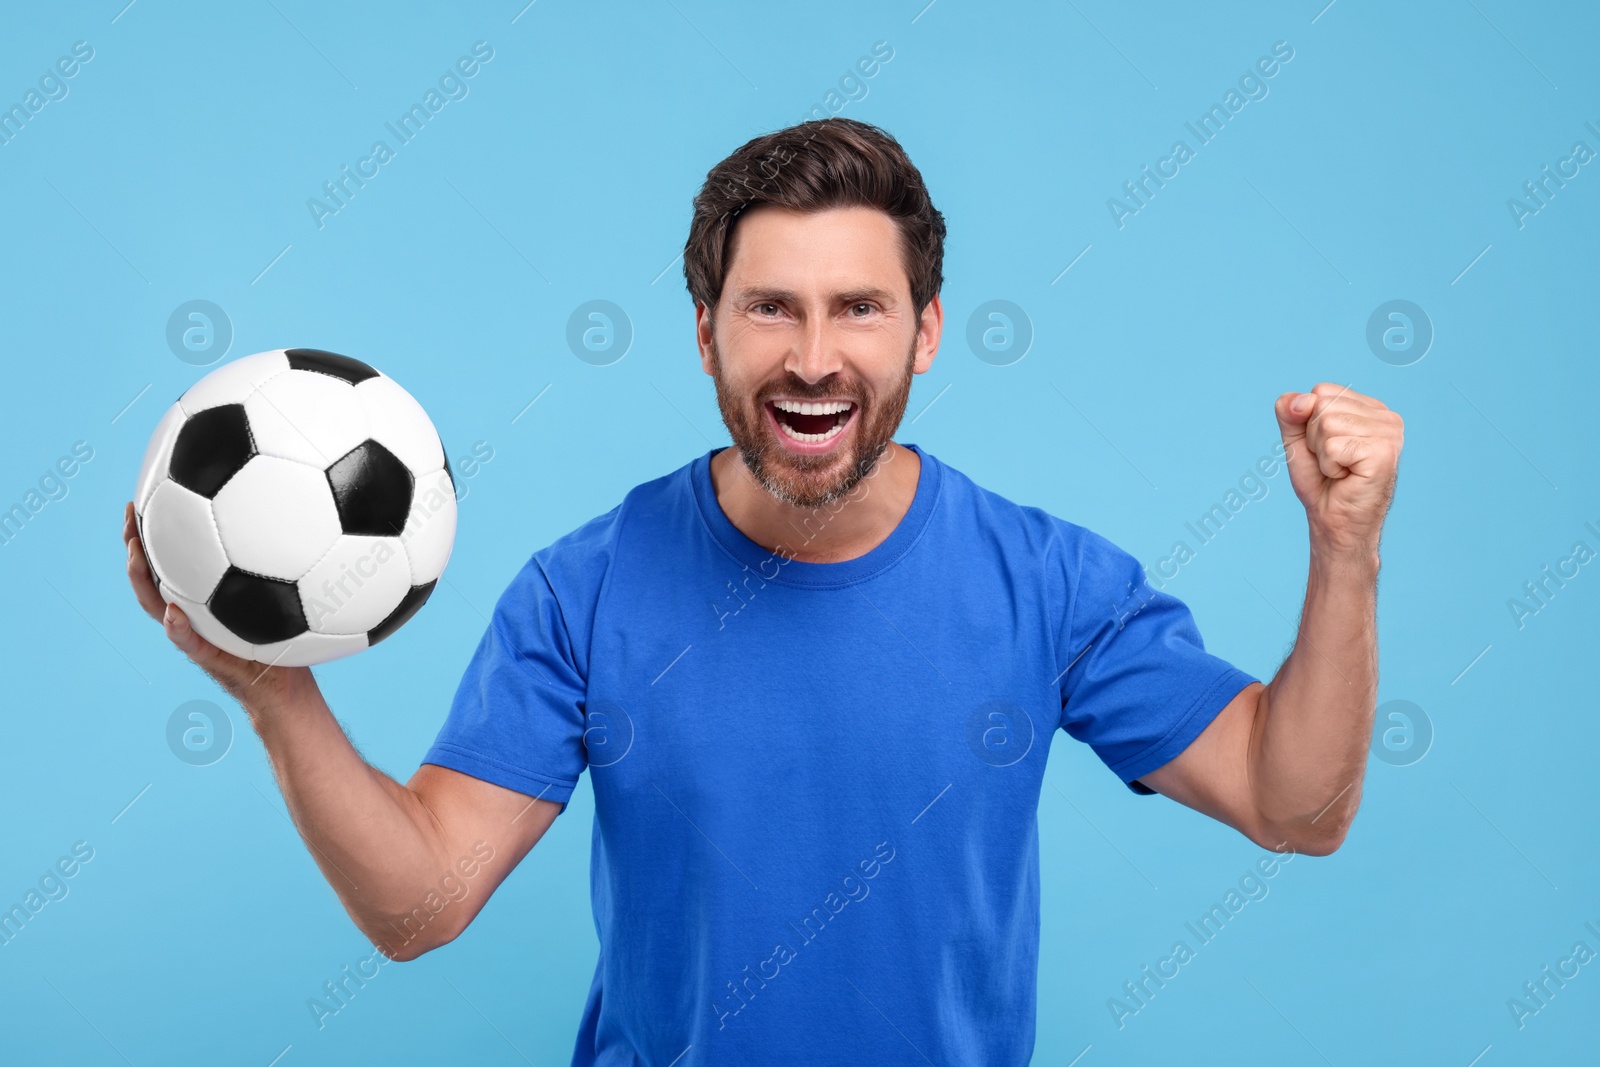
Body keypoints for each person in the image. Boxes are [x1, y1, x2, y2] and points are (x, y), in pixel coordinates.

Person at [123, 117, 1404, 1065]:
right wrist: (274, 691)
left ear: (925, 331)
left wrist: (1343, 548)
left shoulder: (1047, 582)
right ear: (705, 332)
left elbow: (1294, 806)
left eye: (858, 307)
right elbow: (422, 903)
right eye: (768, 309)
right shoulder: (588, 586)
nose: (812, 357)